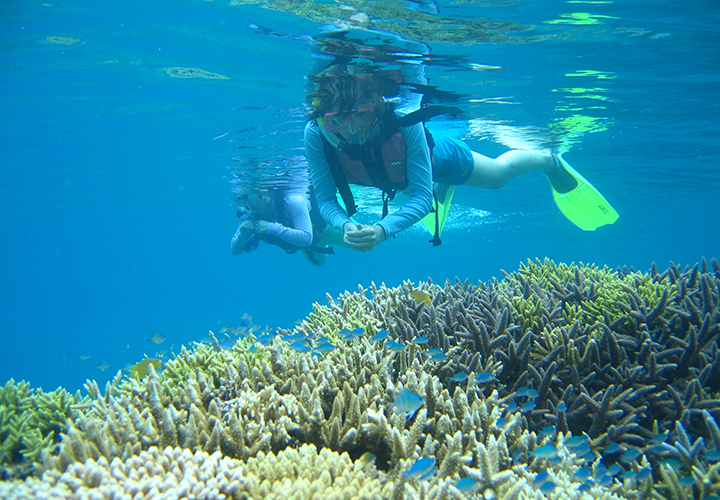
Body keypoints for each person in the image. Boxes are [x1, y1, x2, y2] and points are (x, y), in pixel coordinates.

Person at [304, 65, 618, 252]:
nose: (353, 130)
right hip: (398, 177)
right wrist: (344, 224)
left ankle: (547, 159)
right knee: (409, 186)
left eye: (362, 115)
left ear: (378, 107)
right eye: (337, 120)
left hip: (437, 159)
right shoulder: (315, 135)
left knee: (497, 177)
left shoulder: (404, 120)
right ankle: (444, 185)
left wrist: (383, 230)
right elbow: (325, 199)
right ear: (322, 118)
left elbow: (421, 199)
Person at [230, 186, 345, 266]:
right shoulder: (249, 217)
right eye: (241, 198)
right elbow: (235, 252)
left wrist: (271, 228)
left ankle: (339, 204)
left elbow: (306, 238)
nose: (250, 204)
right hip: (302, 244)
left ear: (267, 194)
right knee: (319, 263)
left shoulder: (292, 201)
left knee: (361, 238)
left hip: (327, 230)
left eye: (255, 197)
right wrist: (242, 236)